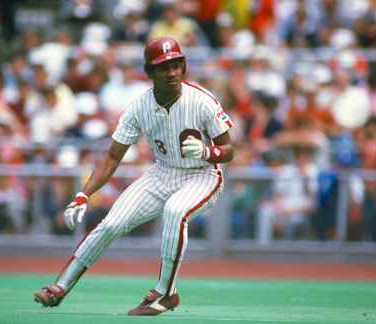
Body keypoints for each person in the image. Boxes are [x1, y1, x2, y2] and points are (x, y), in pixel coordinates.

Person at [33, 36, 234, 316]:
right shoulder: (138, 107)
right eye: (164, 67)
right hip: (162, 172)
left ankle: (165, 293)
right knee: (111, 224)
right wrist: (84, 193)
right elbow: (113, 157)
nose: (173, 72)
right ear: (149, 72)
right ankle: (60, 287)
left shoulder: (201, 100)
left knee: (176, 211)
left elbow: (229, 150)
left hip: (203, 175)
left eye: (177, 64)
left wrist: (207, 151)